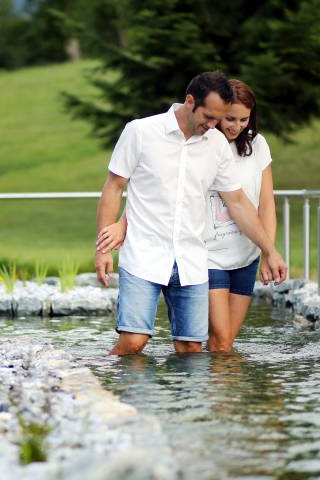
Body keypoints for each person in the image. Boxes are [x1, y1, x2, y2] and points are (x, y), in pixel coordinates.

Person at [94, 71, 286, 356]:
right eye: (208, 117)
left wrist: (269, 250)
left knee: (190, 349)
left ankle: (185, 403)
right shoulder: (141, 132)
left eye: (218, 118)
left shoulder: (216, 144)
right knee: (134, 341)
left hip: (192, 260)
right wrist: (103, 249)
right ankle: (100, 389)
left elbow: (238, 202)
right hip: (144, 255)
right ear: (189, 101)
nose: (213, 125)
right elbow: (114, 186)